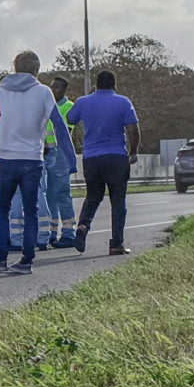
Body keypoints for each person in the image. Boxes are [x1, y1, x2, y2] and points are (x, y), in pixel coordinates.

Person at [0, 51, 75, 275]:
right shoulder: (44, 92)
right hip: (32, 160)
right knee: (31, 211)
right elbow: (60, 126)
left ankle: (0, 259)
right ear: (37, 70)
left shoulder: (2, 92)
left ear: (15, 68)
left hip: (5, 160)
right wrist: (71, 158)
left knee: (1, 210)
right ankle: (26, 261)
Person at [67, 70, 138, 255]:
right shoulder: (123, 102)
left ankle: (83, 226)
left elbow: (70, 118)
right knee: (118, 201)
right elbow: (132, 129)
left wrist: (90, 96)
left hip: (92, 158)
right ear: (115, 84)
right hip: (116, 157)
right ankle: (116, 244)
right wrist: (133, 151)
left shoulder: (84, 101)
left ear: (96, 85)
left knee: (93, 197)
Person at [44, 77, 77, 248]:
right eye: (51, 87)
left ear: (63, 89)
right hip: (48, 152)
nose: (52, 90)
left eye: (56, 87)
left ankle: (69, 233)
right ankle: (50, 231)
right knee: (49, 194)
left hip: (61, 154)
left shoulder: (68, 106)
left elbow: (65, 131)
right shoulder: (47, 104)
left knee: (63, 193)